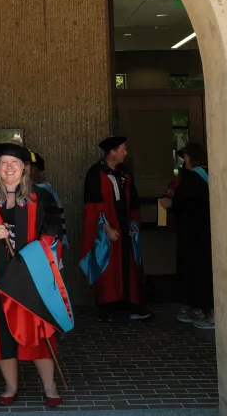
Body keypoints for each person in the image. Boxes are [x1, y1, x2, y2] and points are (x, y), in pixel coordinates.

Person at [0, 142, 64, 407]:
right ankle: (11, 386)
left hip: (29, 277)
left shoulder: (40, 198)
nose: (9, 168)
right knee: (2, 334)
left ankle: (50, 385)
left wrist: (34, 256)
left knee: (37, 332)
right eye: (3, 164)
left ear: (25, 169)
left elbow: (53, 232)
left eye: (15, 164)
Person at [79, 136, 152, 321]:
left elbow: (133, 201)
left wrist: (134, 224)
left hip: (125, 228)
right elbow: (92, 206)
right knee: (108, 267)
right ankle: (107, 308)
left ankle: (130, 304)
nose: (125, 153)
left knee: (129, 266)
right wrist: (105, 227)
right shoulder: (95, 174)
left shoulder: (125, 173)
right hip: (106, 230)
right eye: (122, 149)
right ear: (111, 152)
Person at [169, 142, 214, 329]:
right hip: (201, 232)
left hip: (197, 234)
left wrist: (172, 202)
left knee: (200, 271)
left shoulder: (196, 178)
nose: (183, 160)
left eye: (185, 156)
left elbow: (187, 202)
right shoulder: (202, 175)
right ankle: (200, 309)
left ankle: (208, 311)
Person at [28, 150, 68, 268]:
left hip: (45, 246)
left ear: (32, 169)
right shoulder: (45, 188)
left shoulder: (43, 191)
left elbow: (55, 221)